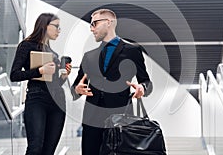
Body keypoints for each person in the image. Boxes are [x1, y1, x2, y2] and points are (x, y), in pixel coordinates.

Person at [71, 9, 152, 155]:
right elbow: (75, 87)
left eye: (94, 24)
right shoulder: (89, 56)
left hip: (121, 118)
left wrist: (142, 88)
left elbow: (146, 82)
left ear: (108, 23)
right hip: (91, 119)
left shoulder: (133, 50)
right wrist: (77, 89)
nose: (91, 29)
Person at [10, 13, 72, 155]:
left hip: (58, 102)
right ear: (44, 26)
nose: (59, 30)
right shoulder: (26, 46)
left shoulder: (53, 53)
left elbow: (55, 82)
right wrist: (40, 70)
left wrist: (63, 76)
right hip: (37, 99)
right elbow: (14, 75)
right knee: (35, 147)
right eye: (56, 26)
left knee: (49, 150)